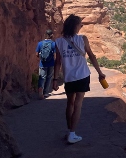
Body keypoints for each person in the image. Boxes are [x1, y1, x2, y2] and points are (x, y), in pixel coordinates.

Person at [52, 15, 106, 144]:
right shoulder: (82, 39)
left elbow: (58, 62)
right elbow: (92, 56)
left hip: (69, 77)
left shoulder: (59, 42)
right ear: (75, 26)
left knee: (70, 103)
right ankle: (72, 134)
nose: (81, 27)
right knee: (78, 104)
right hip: (82, 75)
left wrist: (55, 79)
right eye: (80, 25)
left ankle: (69, 130)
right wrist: (100, 73)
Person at [36, 29, 57, 99]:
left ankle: (40, 91)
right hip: (51, 63)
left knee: (41, 77)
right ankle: (46, 93)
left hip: (42, 63)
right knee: (49, 77)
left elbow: (36, 54)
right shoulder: (53, 44)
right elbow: (55, 55)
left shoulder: (40, 43)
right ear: (52, 35)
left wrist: (42, 58)